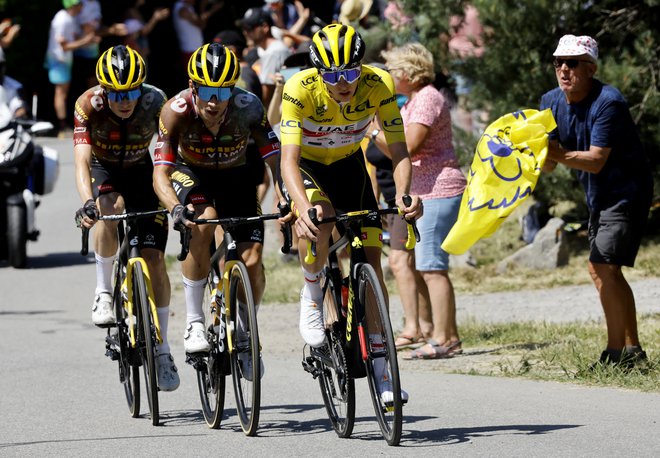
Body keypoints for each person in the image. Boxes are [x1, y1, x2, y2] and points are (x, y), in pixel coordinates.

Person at [279, 24, 422, 403]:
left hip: (348, 165)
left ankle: (382, 368)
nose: (343, 83)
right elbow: (288, 162)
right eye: (333, 75)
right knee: (320, 218)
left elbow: (400, 151)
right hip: (307, 167)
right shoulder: (299, 90)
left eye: (350, 73)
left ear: (362, 67)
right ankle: (312, 293)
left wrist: (406, 194)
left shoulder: (380, 84)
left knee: (372, 262)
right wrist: (301, 205)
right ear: (317, 71)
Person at [152, 43, 282, 378]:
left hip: (236, 176)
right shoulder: (175, 110)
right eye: (207, 90)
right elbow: (159, 172)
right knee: (204, 222)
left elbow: (275, 159)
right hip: (190, 173)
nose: (215, 100)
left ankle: (246, 331)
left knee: (251, 261)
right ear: (193, 87)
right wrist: (175, 208)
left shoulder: (249, 106)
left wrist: (285, 198)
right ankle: (194, 321)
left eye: (223, 90)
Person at [541, 34, 653, 368]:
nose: (563, 69)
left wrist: (556, 154)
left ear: (590, 68)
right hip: (598, 195)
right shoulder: (549, 101)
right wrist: (537, 155)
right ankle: (633, 351)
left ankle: (615, 354)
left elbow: (596, 160)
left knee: (601, 266)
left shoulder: (609, 101)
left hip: (625, 192)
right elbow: (547, 163)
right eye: (559, 62)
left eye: (572, 63)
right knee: (608, 271)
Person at [73, 45, 180, 391]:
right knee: (109, 208)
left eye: (132, 91)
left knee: (155, 261)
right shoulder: (88, 104)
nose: (125, 100)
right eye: (117, 93)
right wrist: (87, 201)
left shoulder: (156, 101)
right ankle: (103, 290)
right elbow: (81, 162)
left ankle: (162, 350)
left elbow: (170, 150)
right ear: (104, 90)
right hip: (103, 169)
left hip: (140, 170)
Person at [377, 42, 467, 360]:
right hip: (423, 191)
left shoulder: (428, 97)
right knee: (423, 266)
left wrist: (372, 132)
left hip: (439, 189)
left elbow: (409, 146)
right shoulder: (415, 99)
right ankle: (439, 333)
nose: (389, 75)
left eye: (393, 69)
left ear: (408, 71)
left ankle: (444, 338)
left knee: (432, 268)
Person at [45, 0, 100, 136]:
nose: (82, 6)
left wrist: (88, 39)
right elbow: (65, 46)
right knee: (61, 93)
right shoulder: (62, 20)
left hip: (65, 60)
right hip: (59, 60)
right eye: (79, 3)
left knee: (64, 93)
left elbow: (72, 40)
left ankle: (64, 124)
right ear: (73, 5)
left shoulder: (70, 18)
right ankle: (62, 126)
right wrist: (86, 41)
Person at [240, 7, 291, 107]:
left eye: (249, 28)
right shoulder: (269, 49)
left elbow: (266, 95)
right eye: (244, 29)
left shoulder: (273, 52)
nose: (245, 32)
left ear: (264, 27)